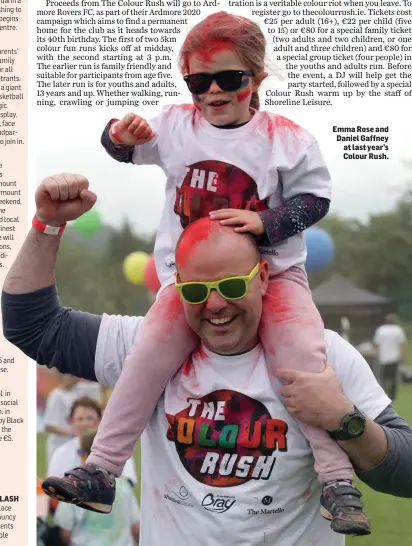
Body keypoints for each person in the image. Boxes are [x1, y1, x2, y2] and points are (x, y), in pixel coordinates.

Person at [45, 12, 371, 534]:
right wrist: (118, 133)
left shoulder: (286, 139)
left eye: (230, 78)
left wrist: (266, 222)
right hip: (188, 282)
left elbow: (317, 199)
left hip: (273, 278)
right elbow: (123, 151)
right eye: (199, 81)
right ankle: (103, 470)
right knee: (146, 358)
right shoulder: (176, 125)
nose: (213, 91)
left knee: (303, 362)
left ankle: (336, 480)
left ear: (257, 79)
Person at [3, 174, 412, 546]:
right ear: (177, 287)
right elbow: (33, 327)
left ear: (264, 277)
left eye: (232, 286)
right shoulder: (146, 347)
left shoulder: (323, 354)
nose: (215, 305)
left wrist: (344, 420)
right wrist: (47, 224)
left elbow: (406, 469)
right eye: (196, 292)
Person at [53, 429, 140, 546]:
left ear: (84, 455)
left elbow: (65, 531)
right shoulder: (124, 485)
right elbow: (136, 527)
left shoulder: (73, 486)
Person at [48, 396, 138, 488]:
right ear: (72, 422)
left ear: (100, 421)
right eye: (80, 419)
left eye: (90, 418)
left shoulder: (116, 448)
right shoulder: (61, 453)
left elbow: (129, 481)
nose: (85, 423)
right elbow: (53, 487)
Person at [43, 374, 79, 466]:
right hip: (58, 445)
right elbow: (49, 426)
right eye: (71, 375)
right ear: (62, 376)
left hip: (72, 444)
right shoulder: (56, 395)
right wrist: (71, 433)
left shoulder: (75, 393)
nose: (74, 378)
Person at [374, 313, 407, 401]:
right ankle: (392, 396)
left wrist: (378, 354)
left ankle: (383, 394)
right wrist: (402, 355)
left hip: (383, 358)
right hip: (394, 358)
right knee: (393, 379)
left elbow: (377, 344)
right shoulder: (398, 330)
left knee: (383, 378)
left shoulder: (380, 330)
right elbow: (402, 344)